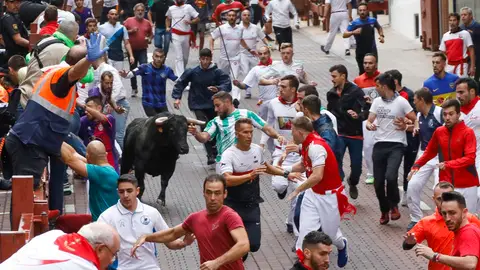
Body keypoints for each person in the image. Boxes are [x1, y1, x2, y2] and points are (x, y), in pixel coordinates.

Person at [5, 34, 107, 215]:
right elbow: (75, 72)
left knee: (26, 197)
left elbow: (66, 151)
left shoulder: (53, 75)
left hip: (29, 141)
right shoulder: (62, 77)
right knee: (26, 201)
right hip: (28, 146)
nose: (89, 71)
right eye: (89, 66)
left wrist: (95, 167)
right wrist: (88, 60)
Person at [264, 116, 354, 268]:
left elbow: (317, 176)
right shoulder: (306, 145)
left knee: (329, 236)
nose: (291, 135)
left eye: (292, 132)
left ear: (299, 132)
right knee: (304, 236)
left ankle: (342, 245)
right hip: (313, 195)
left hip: (330, 196)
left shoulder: (316, 147)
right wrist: (281, 170)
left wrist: (298, 189)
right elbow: (303, 166)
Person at [131, 174, 250, 270]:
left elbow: (244, 245)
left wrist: (217, 263)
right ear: (203, 193)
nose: (212, 198)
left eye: (217, 193)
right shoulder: (195, 218)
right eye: (209, 192)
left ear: (225, 194)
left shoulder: (229, 216)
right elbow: (172, 233)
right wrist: (146, 237)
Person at [99, 174, 194, 269]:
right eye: (121, 191)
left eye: (129, 191)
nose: (125, 195)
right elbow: (98, 246)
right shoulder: (107, 217)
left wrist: (184, 243)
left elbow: (169, 241)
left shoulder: (151, 213)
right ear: (117, 192)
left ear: (137, 191)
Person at [411, 99, 479, 214]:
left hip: (467, 185)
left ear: (458, 114)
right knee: (446, 220)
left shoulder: (468, 132)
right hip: (447, 185)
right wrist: (416, 165)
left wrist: (448, 164)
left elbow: (470, 158)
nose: (447, 117)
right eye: (445, 114)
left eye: (451, 114)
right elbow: (429, 152)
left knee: (468, 220)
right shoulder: (439, 131)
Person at [189, 91, 283, 173]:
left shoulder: (247, 114)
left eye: (218, 106)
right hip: (223, 164)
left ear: (227, 102)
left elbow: (266, 128)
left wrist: (278, 136)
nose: (215, 109)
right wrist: (196, 133)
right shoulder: (216, 121)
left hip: (245, 161)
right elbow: (204, 137)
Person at [365, 73, 416, 224]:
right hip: (379, 144)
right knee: (378, 182)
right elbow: (369, 120)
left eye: (378, 86)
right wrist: (370, 125)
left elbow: (415, 119)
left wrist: (406, 126)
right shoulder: (376, 102)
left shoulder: (401, 102)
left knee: (391, 176)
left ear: (385, 87)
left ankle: (394, 205)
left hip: (396, 145)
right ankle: (384, 209)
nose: (376, 89)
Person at [259, 75, 303, 235]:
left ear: (293, 89)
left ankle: (291, 222)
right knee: (279, 185)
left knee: (298, 190)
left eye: (284, 87)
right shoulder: (273, 104)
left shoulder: (302, 104)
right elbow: (268, 125)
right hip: (280, 152)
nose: (280, 89)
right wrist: (263, 144)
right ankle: (281, 189)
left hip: (298, 154)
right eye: (280, 86)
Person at [172, 48, 231, 165]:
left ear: (210, 59)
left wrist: (218, 89)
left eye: (207, 59)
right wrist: (177, 98)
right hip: (197, 104)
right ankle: (210, 154)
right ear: (199, 59)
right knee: (204, 125)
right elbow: (181, 83)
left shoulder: (217, 72)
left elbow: (227, 84)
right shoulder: (192, 72)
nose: (205, 62)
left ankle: (215, 148)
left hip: (213, 105)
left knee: (215, 125)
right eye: (203, 59)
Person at [403, 181, 480, 270]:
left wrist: (435, 256)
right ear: (434, 199)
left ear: (464, 212)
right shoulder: (426, 222)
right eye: (440, 199)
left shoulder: (469, 227)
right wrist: (409, 242)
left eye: (452, 213)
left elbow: (470, 263)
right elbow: (406, 244)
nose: (447, 218)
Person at [220, 118, 266, 261]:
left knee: (253, 245)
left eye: (251, 132)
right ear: (237, 134)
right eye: (245, 132)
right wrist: (249, 176)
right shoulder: (229, 154)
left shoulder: (258, 150)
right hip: (233, 207)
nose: (249, 135)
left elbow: (266, 167)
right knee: (241, 248)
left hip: (252, 205)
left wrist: (286, 173)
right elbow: (227, 180)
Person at [0, 222, 121, 269]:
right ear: (100, 249)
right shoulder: (84, 267)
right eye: (113, 254)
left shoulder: (53, 235)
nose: (111, 261)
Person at [327, 64, 368, 198]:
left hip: (355, 134)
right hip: (339, 134)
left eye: (334, 76)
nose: (332, 79)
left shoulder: (356, 91)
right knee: (336, 161)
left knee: (356, 167)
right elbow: (329, 113)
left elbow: (367, 111)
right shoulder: (331, 94)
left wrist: (359, 116)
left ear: (343, 76)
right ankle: (339, 186)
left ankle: (353, 182)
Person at [406, 88, 443, 231]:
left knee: (438, 189)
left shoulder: (439, 113)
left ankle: (441, 217)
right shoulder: (420, 114)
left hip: (440, 156)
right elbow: (417, 124)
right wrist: (413, 128)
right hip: (425, 154)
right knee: (413, 185)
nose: (414, 103)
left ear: (421, 100)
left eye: (415, 100)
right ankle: (416, 218)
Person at [60, 140, 119, 220]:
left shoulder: (100, 172)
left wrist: (54, 136)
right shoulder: (106, 169)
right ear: (106, 154)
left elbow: (69, 160)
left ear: (88, 156)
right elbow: (74, 154)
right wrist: (58, 137)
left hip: (102, 224)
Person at [386, 69, 419, 207]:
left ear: (395, 82)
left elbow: (415, 115)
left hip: (409, 136)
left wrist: (407, 122)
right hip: (395, 136)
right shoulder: (387, 96)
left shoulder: (409, 94)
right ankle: (393, 195)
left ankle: (406, 192)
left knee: (408, 166)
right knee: (392, 167)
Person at [89, 53, 129, 150]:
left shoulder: (107, 69)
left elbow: (116, 88)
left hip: (119, 103)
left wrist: (113, 105)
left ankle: (126, 161)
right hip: (105, 109)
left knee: (117, 136)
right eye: (107, 83)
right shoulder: (98, 72)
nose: (109, 85)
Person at [120, 48, 177, 116]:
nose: (159, 59)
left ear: (164, 58)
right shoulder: (144, 67)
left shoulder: (167, 70)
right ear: (153, 57)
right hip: (148, 103)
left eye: (161, 57)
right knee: (155, 122)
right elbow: (131, 74)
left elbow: (178, 80)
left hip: (162, 103)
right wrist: (125, 75)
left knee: (167, 123)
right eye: (157, 56)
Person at [353, 54, 380, 185]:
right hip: (367, 117)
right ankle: (371, 173)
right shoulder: (358, 80)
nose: (367, 65)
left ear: (376, 64)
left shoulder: (383, 78)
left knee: (383, 145)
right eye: (365, 63)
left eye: (370, 63)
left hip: (382, 117)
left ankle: (383, 171)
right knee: (368, 146)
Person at [455, 77, 480, 212]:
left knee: (478, 195)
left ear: (472, 91)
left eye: (461, 92)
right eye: (457, 92)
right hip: (460, 161)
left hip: (478, 159)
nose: (458, 96)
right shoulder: (455, 111)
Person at [233, 46, 277, 121]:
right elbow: (245, 86)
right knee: (264, 126)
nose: (263, 56)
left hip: (277, 101)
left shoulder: (277, 65)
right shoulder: (256, 69)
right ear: (258, 55)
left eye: (265, 53)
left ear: (269, 54)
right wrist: (238, 84)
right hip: (263, 103)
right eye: (260, 54)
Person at [78, 95, 118, 172]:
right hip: (91, 165)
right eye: (86, 108)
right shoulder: (84, 121)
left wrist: (83, 106)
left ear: (99, 108)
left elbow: (103, 119)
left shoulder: (110, 118)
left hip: (109, 163)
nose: (86, 111)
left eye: (89, 107)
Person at [210, 10, 243, 104]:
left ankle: (235, 99)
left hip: (236, 58)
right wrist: (212, 49)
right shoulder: (221, 28)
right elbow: (212, 38)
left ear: (236, 17)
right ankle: (223, 96)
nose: (232, 17)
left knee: (235, 77)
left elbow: (241, 40)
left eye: (233, 15)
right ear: (227, 17)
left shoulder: (240, 29)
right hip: (224, 58)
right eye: (230, 16)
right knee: (223, 78)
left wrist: (249, 50)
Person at [343, 2, 384, 75]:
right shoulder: (354, 23)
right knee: (362, 72)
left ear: (367, 11)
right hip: (360, 51)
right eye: (360, 10)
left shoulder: (373, 20)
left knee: (374, 71)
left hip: (372, 49)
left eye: (364, 10)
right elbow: (344, 35)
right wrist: (353, 32)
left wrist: (381, 36)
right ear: (358, 11)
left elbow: (379, 27)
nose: (362, 12)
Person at [123, 3, 152, 98]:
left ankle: (146, 89)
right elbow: (121, 31)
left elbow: (151, 34)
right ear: (134, 11)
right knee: (133, 70)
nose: (140, 12)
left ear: (144, 12)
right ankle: (134, 88)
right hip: (131, 50)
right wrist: (131, 31)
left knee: (144, 69)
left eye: (142, 10)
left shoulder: (147, 22)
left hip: (143, 49)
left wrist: (149, 39)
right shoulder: (128, 21)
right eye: (138, 10)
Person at [239, 9, 268, 99]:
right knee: (245, 71)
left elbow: (263, 38)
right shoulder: (238, 28)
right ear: (241, 17)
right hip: (242, 54)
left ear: (250, 17)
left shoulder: (255, 27)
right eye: (244, 15)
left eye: (248, 15)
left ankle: (262, 92)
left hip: (255, 55)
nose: (246, 17)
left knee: (258, 73)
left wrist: (270, 46)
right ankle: (248, 92)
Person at [166, 0, 199, 77]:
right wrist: (167, 27)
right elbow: (167, 18)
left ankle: (182, 72)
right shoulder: (171, 8)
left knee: (185, 57)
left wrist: (190, 22)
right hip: (175, 34)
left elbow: (197, 19)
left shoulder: (188, 7)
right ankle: (180, 78)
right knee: (179, 57)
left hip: (186, 35)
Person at [440, 12, 475, 78]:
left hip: (462, 65)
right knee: (450, 86)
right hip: (449, 66)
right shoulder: (445, 35)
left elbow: (471, 50)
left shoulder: (465, 33)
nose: (452, 22)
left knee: (462, 86)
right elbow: (442, 51)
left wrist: (472, 67)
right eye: (450, 20)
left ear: (458, 21)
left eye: (454, 20)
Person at [460, 7, 480, 83]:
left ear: (471, 16)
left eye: (465, 15)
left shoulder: (477, 27)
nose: (463, 17)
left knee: (476, 80)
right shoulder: (461, 28)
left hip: (477, 58)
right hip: (466, 58)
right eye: (461, 15)